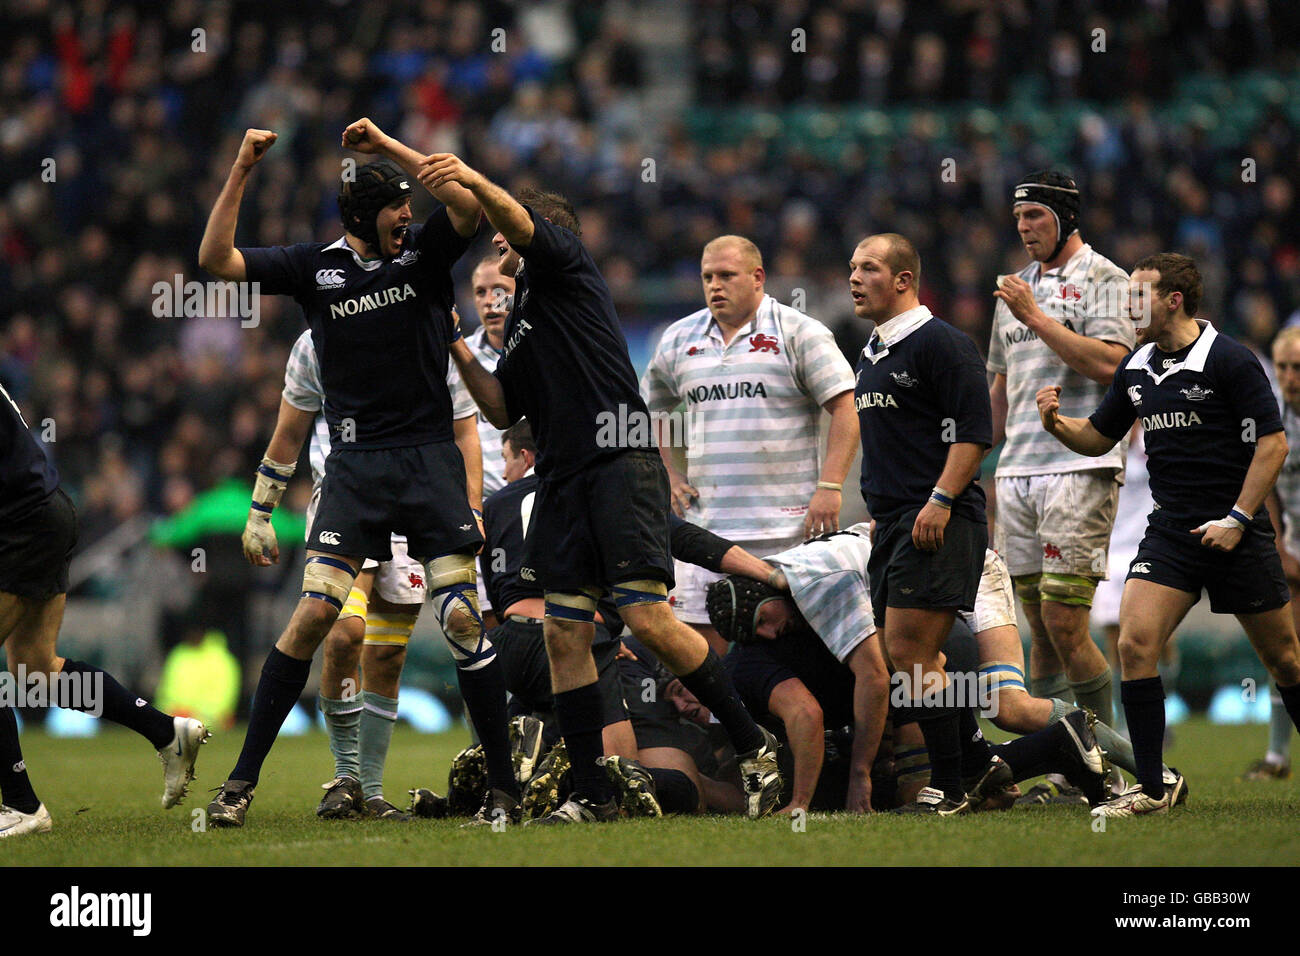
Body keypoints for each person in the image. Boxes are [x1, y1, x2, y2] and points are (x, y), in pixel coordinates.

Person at [419, 151, 783, 822]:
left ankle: (749, 740)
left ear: (540, 232)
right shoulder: (522, 321)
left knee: (648, 617)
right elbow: (502, 411)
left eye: (506, 238)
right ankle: (590, 792)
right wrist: (458, 348)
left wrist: (469, 181)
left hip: (620, 466)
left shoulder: (565, 268)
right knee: (566, 633)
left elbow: (516, 222)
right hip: (563, 479)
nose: (496, 246)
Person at [197, 119, 518, 828]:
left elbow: (465, 205)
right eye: (397, 205)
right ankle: (240, 784)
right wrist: (242, 168)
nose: (411, 214)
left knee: (462, 618)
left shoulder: (425, 259)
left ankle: (502, 789)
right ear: (359, 216)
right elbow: (215, 259)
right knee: (317, 616)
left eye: (410, 203)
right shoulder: (315, 270)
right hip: (355, 467)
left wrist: (390, 152)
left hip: (430, 457)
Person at [1037, 253, 1300, 817]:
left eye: (1138, 296)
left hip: (1238, 531)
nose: (1126, 307)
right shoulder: (1135, 368)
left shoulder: (1229, 359)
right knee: (1134, 643)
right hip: (1170, 534)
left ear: (1172, 300)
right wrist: (1059, 425)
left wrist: (1236, 519)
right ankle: (1154, 790)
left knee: (1286, 662)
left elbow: (1272, 445)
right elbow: (1098, 436)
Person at [245, 325, 482, 820]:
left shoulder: (423, 330)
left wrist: (472, 508)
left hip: (415, 498)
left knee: (388, 653)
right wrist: (260, 511)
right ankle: (345, 774)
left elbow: (464, 427)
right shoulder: (315, 340)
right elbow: (290, 429)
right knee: (343, 634)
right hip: (344, 501)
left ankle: (370, 790)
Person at [0, 378, 208, 838]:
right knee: (34, 670)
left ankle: (21, 804)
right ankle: (165, 733)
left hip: (20, 524)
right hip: (44, 512)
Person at [641, 235, 858, 654]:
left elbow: (846, 408)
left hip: (788, 532)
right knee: (705, 666)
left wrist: (830, 487)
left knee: (794, 654)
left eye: (726, 275)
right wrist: (667, 473)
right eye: (707, 277)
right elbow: (655, 409)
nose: (714, 286)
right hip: (706, 530)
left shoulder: (800, 332)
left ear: (758, 277)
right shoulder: (677, 338)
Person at [849, 232, 992, 814]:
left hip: (936, 518)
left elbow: (975, 433)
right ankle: (985, 767)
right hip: (894, 523)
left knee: (908, 656)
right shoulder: (874, 351)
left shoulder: (944, 345)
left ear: (904, 280)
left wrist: (939, 499)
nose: (855, 278)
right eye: (852, 268)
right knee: (919, 660)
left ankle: (952, 786)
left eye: (870, 268)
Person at [987, 171, 1134, 729]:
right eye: (1019, 218)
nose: (1024, 228)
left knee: (1066, 623)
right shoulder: (1014, 288)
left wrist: (1037, 317)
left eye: (1036, 217)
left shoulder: (1105, 279)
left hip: (1081, 464)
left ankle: (1112, 762)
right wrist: (968, 462)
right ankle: (1060, 763)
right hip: (1016, 471)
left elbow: (1111, 365)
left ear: (1066, 217)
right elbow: (1001, 390)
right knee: (1040, 632)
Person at [1244, 325, 1300, 779]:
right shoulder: (1271, 419)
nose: (1289, 376)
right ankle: (1278, 756)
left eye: (1298, 367)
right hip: (1295, 547)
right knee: (1286, 651)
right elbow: (1268, 487)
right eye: (1282, 367)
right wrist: (1279, 541)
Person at [458, 257, 516, 629]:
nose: (490, 301)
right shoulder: (454, 358)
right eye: (481, 292)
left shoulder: (546, 348)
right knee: (486, 636)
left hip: (537, 515)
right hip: (477, 522)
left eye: (501, 291)